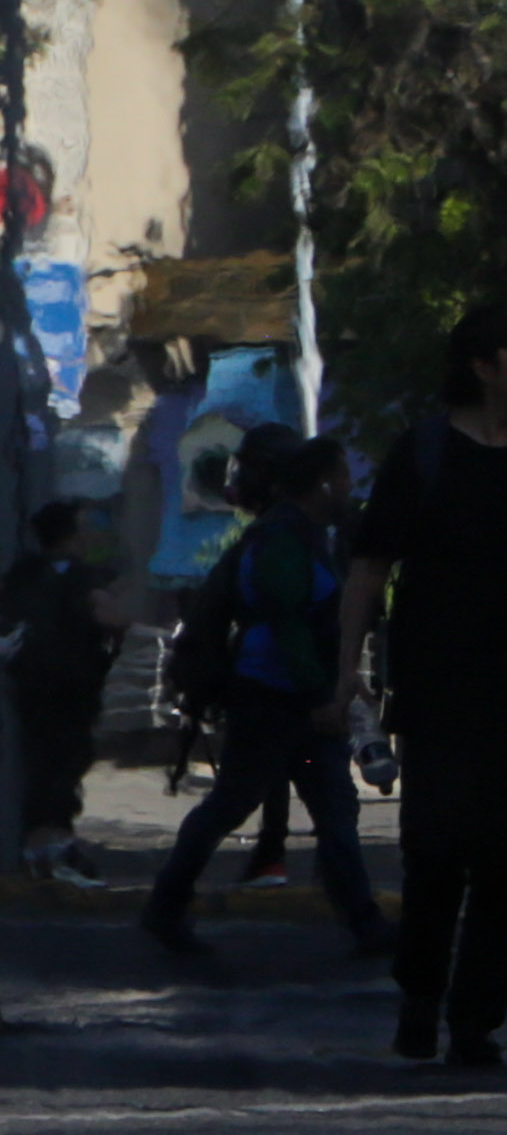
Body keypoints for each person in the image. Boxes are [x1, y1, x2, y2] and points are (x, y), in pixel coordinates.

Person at [142, 427, 387, 959]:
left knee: (334, 807)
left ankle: (364, 923)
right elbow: (286, 627)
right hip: (272, 704)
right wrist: (319, 697)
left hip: (297, 704)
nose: (350, 485)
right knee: (232, 805)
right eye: (342, 476)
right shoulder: (281, 539)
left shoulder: (309, 535)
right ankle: (164, 906)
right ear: (322, 483)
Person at [349, 305, 507, 1064]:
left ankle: (474, 1021)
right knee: (437, 853)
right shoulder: (425, 453)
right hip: (440, 692)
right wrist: (346, 676)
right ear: (483, 367)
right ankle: (420, 995)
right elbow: (368, 568)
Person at [0, 499, 123, 889]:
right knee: (63, 768)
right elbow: (112, 617)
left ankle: (43, 846)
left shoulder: (22, 573)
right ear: (72, 536)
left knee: (40, 764)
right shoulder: (83, 578)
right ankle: (52, 848)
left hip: (29, 684)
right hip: (73, 684)